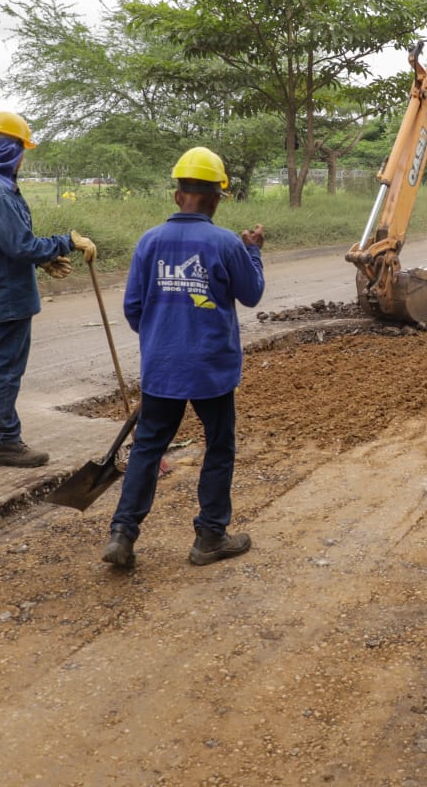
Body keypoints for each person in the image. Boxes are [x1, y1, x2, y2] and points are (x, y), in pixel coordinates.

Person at [101, 146, 266, 571]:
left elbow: (133, 308)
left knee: (147, 449)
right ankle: (210, 536)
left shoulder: (149, 241)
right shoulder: (227, 243)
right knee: (219, 447)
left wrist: (163, 338)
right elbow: (251, 295)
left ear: (177, 196)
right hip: (211, 368)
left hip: (162, 368)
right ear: (216, 198)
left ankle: (122, 533)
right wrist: (253, 251)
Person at [0, 110, 95, 467]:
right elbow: (19, 245)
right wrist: (65, 242)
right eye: (21, 150)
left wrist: (41, 259)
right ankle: (5, 441)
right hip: (4, 295)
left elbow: (2, 244)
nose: (22, 158)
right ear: (10, 151)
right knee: (6, 367)